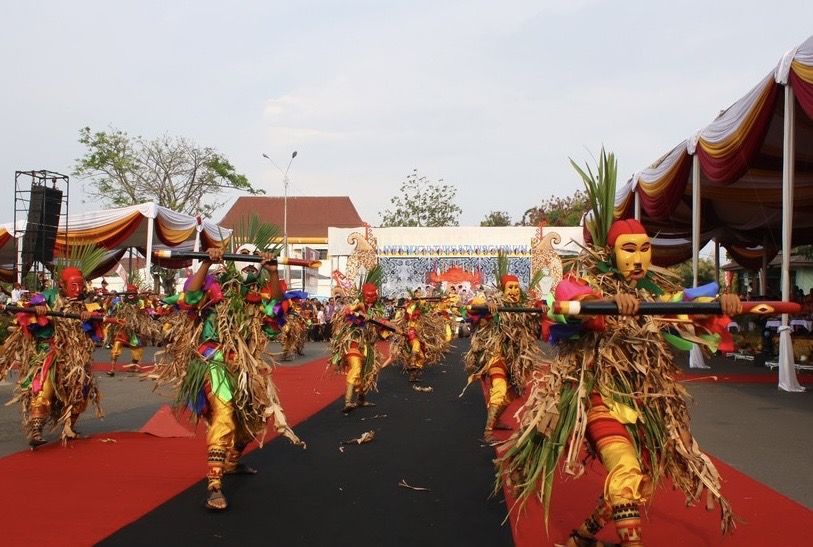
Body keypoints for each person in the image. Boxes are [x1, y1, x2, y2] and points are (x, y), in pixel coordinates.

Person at [498, 214, 739, 546]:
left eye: (644, 249)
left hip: (646, 406)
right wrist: (605, 305)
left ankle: (583, 536)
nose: (638, 258)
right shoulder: (586, 286)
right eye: (628, 250)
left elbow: (688, 304)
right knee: (626, 470)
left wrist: (721, 303)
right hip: (602, 401)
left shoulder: (653, 301)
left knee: (640, 484)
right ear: (610, 253)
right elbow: (565, 301)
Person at [154, 242, 302, 511]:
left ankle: (231, 463)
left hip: (244, 365)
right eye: (242, 255)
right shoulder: (215, 286)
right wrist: (207, 262)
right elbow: (190, 296)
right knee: (224, 417)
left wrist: (272, 272)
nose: (248, 261)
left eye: (253, 257)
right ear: (231, 261)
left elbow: (278, 309)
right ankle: (214, 485)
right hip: (214, 361)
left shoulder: (259, 292)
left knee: (255, 418)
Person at [0, 264, 105, 447]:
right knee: (42, 388)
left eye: (80, 285)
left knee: (81, 390)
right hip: (50, 352)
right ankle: (35, 430)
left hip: (75, 357)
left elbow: (97, 327)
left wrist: (91, 316)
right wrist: (39, 312)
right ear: (62, 285)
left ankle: (69, 426)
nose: (78, 289)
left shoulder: (86, 302)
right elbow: (28, 317)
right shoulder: (48, 296)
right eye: (73, 286)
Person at [463, 256, 547, 442]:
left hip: (515, 358)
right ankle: (488, 430)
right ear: (502, 289)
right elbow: (471, 307)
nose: (514, 291)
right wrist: (487, 306)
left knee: (512, 393)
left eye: (517, 287)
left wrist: (541, 311)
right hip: (496, 354)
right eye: (510, 287)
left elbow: (536, 326)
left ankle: (497, 419)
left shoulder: (524, 307)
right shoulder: (494, 305)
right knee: (499, 387)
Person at [329, 268, 393, 413]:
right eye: (368, 297)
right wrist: (358, 312)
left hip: (368, 347)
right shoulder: (358, 305)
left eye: (373, 297)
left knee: (367, 372)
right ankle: (348, 401)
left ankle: (361, 399)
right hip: (354, 343)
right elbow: (346, 313)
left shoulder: (377, 312)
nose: (370, 300)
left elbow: (382, 329)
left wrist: (386, 329)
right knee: (356, 368)